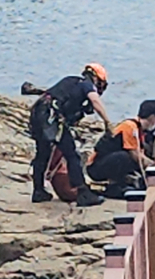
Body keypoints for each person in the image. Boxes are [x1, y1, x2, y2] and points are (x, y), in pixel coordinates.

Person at [29, 63, 111, 207]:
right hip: (52, 118)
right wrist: (107, 122)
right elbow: (95, 101)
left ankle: (38, 191)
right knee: (72, 154)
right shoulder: (87, 85)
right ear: (96, 79)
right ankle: (83, 193)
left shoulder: (71, 82)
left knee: (42, 153)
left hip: (38, 114)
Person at [86, 100, 155, 196]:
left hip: (108, 161)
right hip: (96, 167)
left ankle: (123, 182)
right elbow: (135, 155)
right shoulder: (130, 127)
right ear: (152, 117)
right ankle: (113, 185)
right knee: (125, 157)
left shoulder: (140, 130)